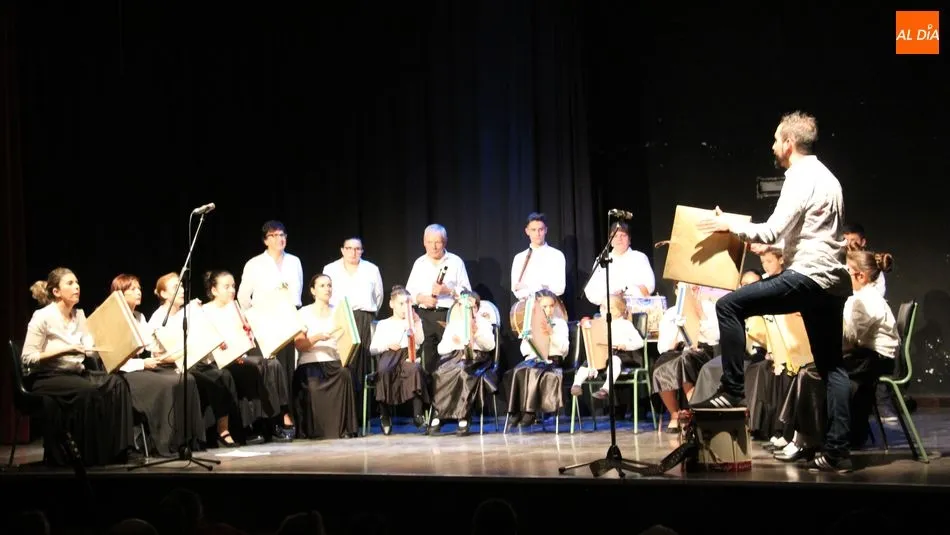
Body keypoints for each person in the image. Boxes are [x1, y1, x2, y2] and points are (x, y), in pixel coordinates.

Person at [692, 111, 854, 473]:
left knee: (729, 307)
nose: (772, 145)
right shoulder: (829, 178)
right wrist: (746, 233)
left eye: (776, 139)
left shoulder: (800, 178)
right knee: (832, 368)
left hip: (808, 277)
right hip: (831, 282)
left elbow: (771, 231)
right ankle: (837, 451)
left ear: (789, 144)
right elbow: (794, 234)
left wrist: (728, 224)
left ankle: (733, 389)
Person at [775, 250, 898, 461]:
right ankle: (802, 437)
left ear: (861, 276)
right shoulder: (860, 297)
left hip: (873, 359)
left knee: (812, 372)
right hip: (865, 356)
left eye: (847, 272)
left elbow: (851, 338)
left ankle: (806, 439)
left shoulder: (865, 300)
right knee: (810, 369)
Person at [21, 267, 135, 465]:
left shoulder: (79, 316)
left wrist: (115, 346)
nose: (77, 287)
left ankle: (120, 450)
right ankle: (88, 455)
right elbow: (27, 357)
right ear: (56, 292)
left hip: (75, 373)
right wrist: (65, 350)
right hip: (48, 377)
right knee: (88, 391)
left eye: (77, 283)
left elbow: (89, 350)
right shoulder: (43, 316)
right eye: (70, 283)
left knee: (117, 383)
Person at [111, 274, 205, 456]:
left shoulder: (138, 316)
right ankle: (164, 442)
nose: (138, 292)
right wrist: (142, 362)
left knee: (186, 379)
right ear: (120, 293)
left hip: (142, 366)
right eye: (132, 289)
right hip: (125, 371)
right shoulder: (116, 318)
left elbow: (151, 343)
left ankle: (186, 440)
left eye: (139, 288)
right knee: (167, 384)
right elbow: (116, 359)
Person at [149, 272, 243, 447]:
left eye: (182, 286)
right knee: (213, 379)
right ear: (163, 294)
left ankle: (224, 429)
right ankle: (209, 433)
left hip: (190, 360)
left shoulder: (186, 312)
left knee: (224, 375)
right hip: (169, 365)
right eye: (176, 288)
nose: (182, 290)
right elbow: (159, 352)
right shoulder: (158, 318)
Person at [203, 270, 293, 442]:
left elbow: (242, 337)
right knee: (255, 368)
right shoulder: (205, 312)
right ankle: (253, 426)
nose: (232, 290)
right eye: (226, 287)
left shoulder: (235, 308)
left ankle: (273, 421)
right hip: (217, 362)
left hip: (237, 357)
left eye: (233, 286)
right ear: (214, 290)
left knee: (271, 364)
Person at [237, 220, 304, 412]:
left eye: (282, 235)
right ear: (266, 240)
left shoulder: (294, 261)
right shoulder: (255, 264)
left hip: (287, 323)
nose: (280, 239)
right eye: (274, 235)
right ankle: (268, 418)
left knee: (286, 370)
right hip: (264, 325)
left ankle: (287, 415)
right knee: (268, 370)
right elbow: (243, 297)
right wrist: (255, 317)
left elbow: (296, 295)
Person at [323, 237, 384, 427]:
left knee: (361, 366)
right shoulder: (330, 269)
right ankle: (341, 414)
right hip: (341, 318)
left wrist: (367, 316)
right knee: (344, 364)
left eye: (357, 249)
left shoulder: (371, 269)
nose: (353, 253)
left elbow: (379, 297)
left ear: (362, 251)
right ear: (342, 250)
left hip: (363, 318)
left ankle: (359, 416)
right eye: (349, 248)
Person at [292, 274, 358, 439]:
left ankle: (345, 429)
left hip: (333, 361)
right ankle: (316, 431)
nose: (327, 289)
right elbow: (299, 345)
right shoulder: (303, 313)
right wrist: (317, 337)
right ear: (313, 290)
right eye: (322, 286)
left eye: (329, 285)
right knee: (313, 385)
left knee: (345, 374)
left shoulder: (338, 311)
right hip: (311, 362)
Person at [405, 223, 472, 375]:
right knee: (427, 360)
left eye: (438, 242)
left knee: (448, 359)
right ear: (424, 242)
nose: (434, 246)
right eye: (429, 242)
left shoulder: (455, 262)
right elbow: (408, 294)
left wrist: (448, 290)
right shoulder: (419, 263)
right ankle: (429, 396)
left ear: (445, 242)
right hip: (425, 317)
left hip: (449, 316)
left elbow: (468, 293)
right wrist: (421, 298)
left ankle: (446, 395)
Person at [428, 290, 496, 436]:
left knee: (464, 372)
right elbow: (441, 349)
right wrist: (454, 343)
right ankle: (440, 415)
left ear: (476, 308)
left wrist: (476, 334)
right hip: (454, 356)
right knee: (440, 372)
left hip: (476, 358)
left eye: (469, 306)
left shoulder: (483, 323)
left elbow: (490, 346)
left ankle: (463, 417)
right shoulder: (453, 325)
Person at [368, 285, 429, 434]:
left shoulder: (412, 322)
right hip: (389, 355)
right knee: (383, 371)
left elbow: (420, 341)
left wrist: (417, 322)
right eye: (401, 304)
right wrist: (387, 346)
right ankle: (385, 415)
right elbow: (372, 349)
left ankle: (417, 415)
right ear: (392, 304)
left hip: (407, 355)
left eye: (407, 304)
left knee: (414, 369)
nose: (404, 308)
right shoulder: (383, 324)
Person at [505, 289, 570, 428]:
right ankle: (515, 410)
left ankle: (529, 412)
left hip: (552, 360)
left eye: (551, 306)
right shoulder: (531, 323)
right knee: (516, 371)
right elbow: (524, 351)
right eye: (544, 307)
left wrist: (551, 334)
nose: (549, 310)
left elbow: (564, 349)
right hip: (534, 359)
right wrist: (530, 339)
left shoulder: (559, 324)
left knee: (533, 370)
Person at [570, 295, 644, 400]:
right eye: (602, 307)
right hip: (602, 354)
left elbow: (639, 342)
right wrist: (586, 325)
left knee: (614, 361)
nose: (602, 310)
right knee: (588, 363)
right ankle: (577, 384)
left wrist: (625, 345)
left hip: (620, 354)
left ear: (619, 311)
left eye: (607, 308)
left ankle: (606, 389)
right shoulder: (600, 324)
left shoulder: (625, 324)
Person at [583, 221, 655, 306]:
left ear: (629, 239)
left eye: (623, 235)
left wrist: (625, 293)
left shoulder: (639, 257)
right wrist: (611, 296)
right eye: (615, 236)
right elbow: (590, 289)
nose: (619, 239)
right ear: (610, 241)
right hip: (610, 310)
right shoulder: (602, 259)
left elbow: (649, 286)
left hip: (635, 308)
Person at [510, 212, 566, 300]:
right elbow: (516, 288)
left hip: (550, 307)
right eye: (533, 230)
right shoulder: (519, 258)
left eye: (541, 229)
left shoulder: (557, 255)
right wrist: (544, 286)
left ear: (546, 230)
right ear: (527, 231)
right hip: (527, 307)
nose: (537, 234)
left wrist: (528, 286)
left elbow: (559, 288)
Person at [842, 223, 886, 297]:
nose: (848, 244)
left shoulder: (872, 264)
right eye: (845, 240)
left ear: (863, 242)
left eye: (853, 241)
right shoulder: (836, 262)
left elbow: (879, 293)